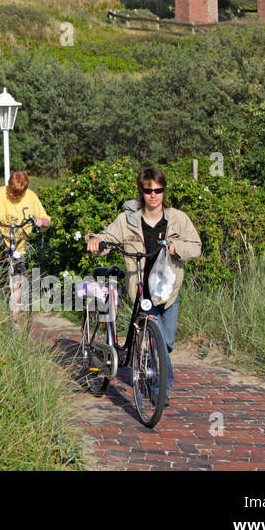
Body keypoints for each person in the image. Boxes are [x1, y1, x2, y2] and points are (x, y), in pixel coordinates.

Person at [85, 166, 201, 401]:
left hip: (168, 291)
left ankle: (152, 362)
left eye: (158, 190)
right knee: (156, 334)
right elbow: (107, 237)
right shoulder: (127, 220)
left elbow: (196, 247)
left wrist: (176, 248)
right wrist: (96, 241)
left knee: (166, 343)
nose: (154, 195)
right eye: (149, 191)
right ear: (141, 192)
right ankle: (160, 393)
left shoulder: (178, 218)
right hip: (141, 291)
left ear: (164, 191)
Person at [0, 171, 51, 324]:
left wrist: (41, 222)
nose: (14, 196)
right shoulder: (1, 193)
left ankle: (14, 323)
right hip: (2, 235)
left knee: (16, 284)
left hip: (18, 243)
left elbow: (47, 220)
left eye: (18, 194)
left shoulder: (31, 197)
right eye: (12, 193)